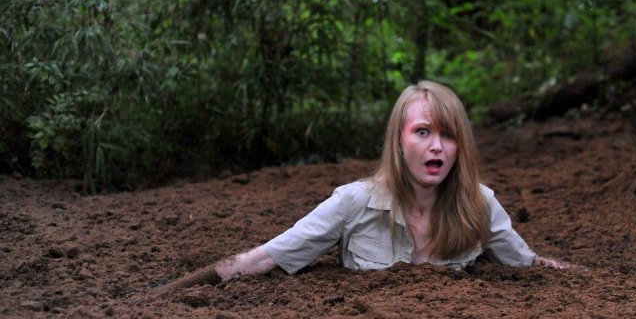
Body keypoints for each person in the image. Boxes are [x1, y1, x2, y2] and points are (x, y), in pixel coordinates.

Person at [157, 80, 581, 295]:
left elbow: (527, 263)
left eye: (448, 136)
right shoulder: (353, 201)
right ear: (399, 139)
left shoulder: (479, 204)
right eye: (422, 132)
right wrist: (168, 293)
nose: (437, 146)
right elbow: (269, 256)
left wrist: (594, 280)